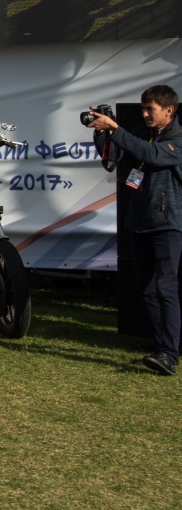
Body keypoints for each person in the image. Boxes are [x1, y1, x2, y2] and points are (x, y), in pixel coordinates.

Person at [86, 88, 182, 376]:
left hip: (168, 224)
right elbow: (111, 160)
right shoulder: (140, 133)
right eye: (142, 108)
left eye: (150, 108)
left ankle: (169, 354)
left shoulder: (177, 138)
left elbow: (151, 155)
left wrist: (116, 128)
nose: (144, 113)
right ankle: (159, 348)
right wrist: (102, 133)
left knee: (166, 288)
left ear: (169, 110)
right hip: (138, 222)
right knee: (148, 290)